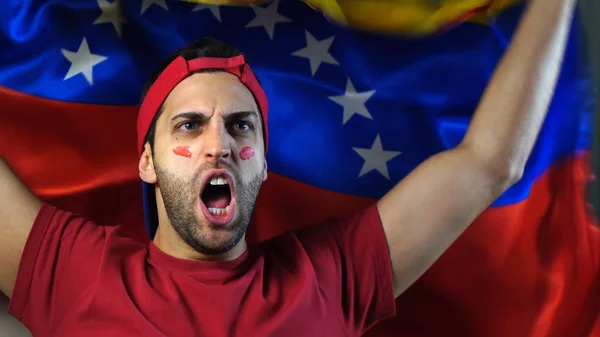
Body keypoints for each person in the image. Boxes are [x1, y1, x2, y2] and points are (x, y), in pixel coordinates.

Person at [0, 0, 579, 336]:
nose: (218, 144)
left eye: (240, 126)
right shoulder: (73, 272)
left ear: (264, 166)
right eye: (188, 125)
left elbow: (488, 163)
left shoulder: (331, 276)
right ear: (146, 162)